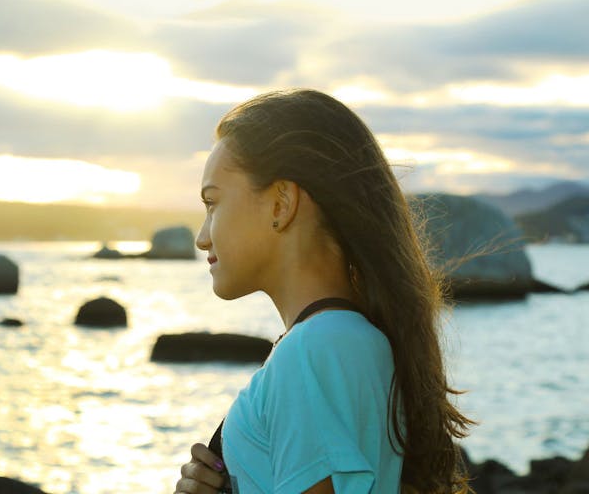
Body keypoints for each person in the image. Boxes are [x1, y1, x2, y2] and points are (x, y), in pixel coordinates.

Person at [174, 89, 474, 494]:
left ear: (281, 203)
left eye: (213, 204)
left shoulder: (316, 351)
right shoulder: (352, 343)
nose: (202, 238)